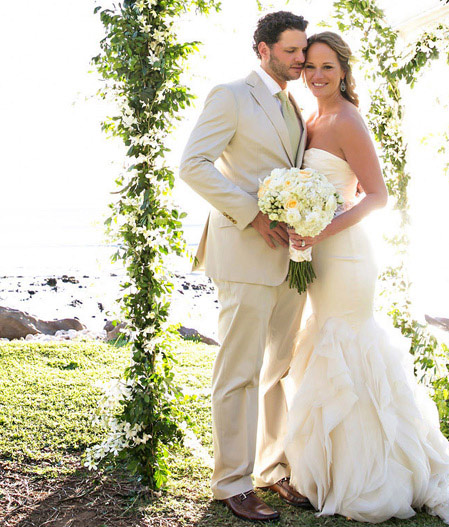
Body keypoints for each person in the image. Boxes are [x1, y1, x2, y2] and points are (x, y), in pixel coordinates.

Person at [282, 31, 449, 524]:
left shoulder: (348, 120)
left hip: (347, 255)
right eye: (309, 66)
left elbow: (377, 196)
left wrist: (324, 226)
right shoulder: (309, 117)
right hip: (317, 255)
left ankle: (371, 477)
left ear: (344, 71)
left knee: (349, 347)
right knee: (325, 346)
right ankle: (323, 471)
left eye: (326, 67)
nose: (316, 75)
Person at [179, 10, 316, 523]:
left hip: (291, 257)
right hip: (243, 250)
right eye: (291, 51)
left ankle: (273, 470)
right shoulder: (232, 95)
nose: (301, 60)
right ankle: (231, 483)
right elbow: (192, 164)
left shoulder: (295, 105)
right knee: (238, 372)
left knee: (277, 370)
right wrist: (252, 213)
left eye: (303, 51)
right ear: (263, 49)